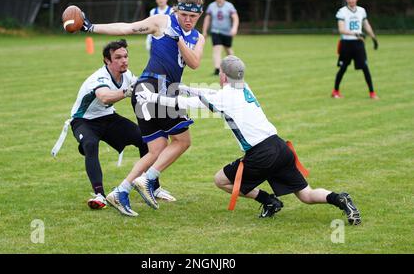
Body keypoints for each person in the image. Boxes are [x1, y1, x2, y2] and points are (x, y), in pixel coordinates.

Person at [136, 56, 362, 225]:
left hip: (261, 153)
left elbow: (186, 105)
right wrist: (185, 88)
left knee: (221, 180)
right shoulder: (244, 87)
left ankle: (269, 200)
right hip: (281, 147)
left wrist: (152, 97)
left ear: (222, 76)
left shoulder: (224, 96)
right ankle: (340, 199)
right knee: (306, 195)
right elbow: (208, 94)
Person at [79, 0, 206, 212]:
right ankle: (147, 180)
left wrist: (179, 41)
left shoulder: (197, 37)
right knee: (183, 141)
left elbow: (195, 63)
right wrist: (91, 26)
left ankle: (121, 191)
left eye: (193, 16)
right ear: (177, 10)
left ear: (199, 15)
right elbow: (127, 28)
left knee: (156, 149)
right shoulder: (162, 22)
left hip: (158, 93)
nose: (187, 20)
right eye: (184, 15)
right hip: (151, 88)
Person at [68, 40, 172, 213]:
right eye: (118, 57)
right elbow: (104, 97)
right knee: (90, 145)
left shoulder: (127, 74)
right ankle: (99, 195)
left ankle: (152, 187)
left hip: (108, 118)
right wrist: (126, 92)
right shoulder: (100, 77)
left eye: (125, 56)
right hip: (84, 121)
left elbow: (141, 87)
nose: (124, 60)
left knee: (145, 140)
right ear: (107, 61)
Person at [332, 0, 379, 99]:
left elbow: (366, 25)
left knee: (365, 67)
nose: (350, 0)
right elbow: (341, 29)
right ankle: (335, 91)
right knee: (343, 68)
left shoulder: (362, 11)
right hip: (346, 44)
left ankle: (372, 93)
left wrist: (373, 38)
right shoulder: (342, 11)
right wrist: (356, 34)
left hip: (358, 44)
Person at [202, 0, 239, 75]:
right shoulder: (211, 6)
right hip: (215, 31)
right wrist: (204, 31)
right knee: (217, 49)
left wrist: (234, 28)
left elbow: (235, 17)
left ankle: (235, 66)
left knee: (228, 49)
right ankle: (217, 69)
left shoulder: (229, 6)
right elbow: (207, 19)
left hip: (227, 32)